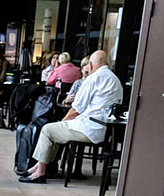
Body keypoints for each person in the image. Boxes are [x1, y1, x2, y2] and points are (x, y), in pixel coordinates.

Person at [20, 50, 124, 184]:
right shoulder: (115, 79)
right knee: (56, 130)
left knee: (47, 129)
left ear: (91, 64)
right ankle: (41, 166)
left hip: (88, 129)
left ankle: (40, 171)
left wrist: (63, 121)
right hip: (105, 130)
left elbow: (77, 108)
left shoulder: (94, 78)